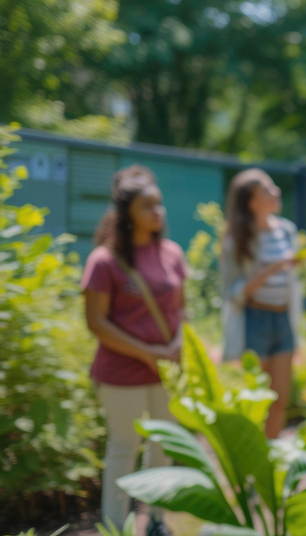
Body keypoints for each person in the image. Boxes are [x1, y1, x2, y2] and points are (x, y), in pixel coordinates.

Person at [83, 165, 185, 536]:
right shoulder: (104, 261)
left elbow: (181, 309)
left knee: (162, 446)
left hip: (167, 371)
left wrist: (175, 345)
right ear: (127, 214)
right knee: (123, 448)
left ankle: (156, 521)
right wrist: (146, 352)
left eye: (159, 204)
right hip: (121, 374)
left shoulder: (172, 253)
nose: (158, 212)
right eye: (147, 206)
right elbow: (96, 322)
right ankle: (115, 526)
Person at [220, 169, 302, 439]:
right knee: (260, 400)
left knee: (280, 401)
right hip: (255, 319)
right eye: (267, 189)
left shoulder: (287, 231)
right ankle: (254, 468)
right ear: (252, 202)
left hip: (283, 320)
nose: (275, 192)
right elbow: (233, 292)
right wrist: (272, 269)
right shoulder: (237, 240)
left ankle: (271, 459)